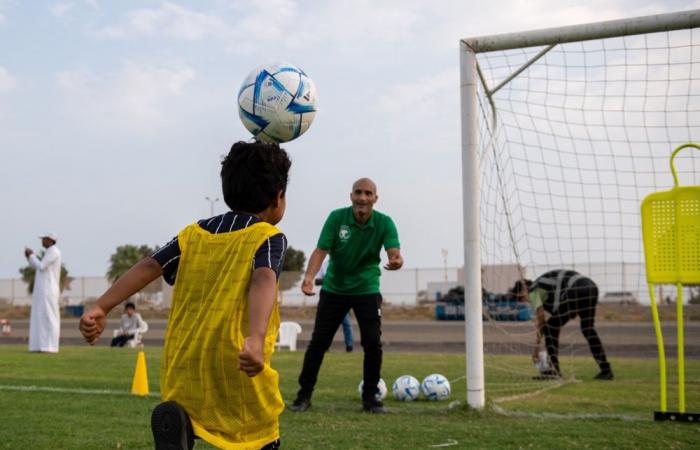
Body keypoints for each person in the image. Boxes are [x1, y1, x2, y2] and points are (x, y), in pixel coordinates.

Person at [79, 141, 291, 450]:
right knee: (258, 431)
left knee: (189, 414)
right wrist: (256, 337)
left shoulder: (193, 234)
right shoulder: (268, 238)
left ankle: (182, 432)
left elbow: (150, 264)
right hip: (237, 361)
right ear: (278, 197)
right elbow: (263, 277)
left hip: (185, 363)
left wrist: (102, 306)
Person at [290, 178, 403, 414]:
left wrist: (396, 260)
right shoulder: (336, 218)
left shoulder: (384, 223)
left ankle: (370, 399)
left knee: (372, 344)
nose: (363, 198)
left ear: (375, 198)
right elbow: (321, 250)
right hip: (334, 289)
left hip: (367, 289)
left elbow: (394, 252)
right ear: (351, 196)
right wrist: (309, 277)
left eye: (368, 193)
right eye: (358, 193)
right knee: (318, 343)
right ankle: (303, 396)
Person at [512, 270, 613, 380]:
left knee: (549, 328)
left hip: (576, 289)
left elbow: (541, 319)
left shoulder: (533, 290)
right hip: (591, 287)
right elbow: (562, 315)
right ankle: (606, 370)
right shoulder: (546, 288)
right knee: (587, 329)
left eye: (522, 299)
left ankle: (554, 371)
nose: (527, 302)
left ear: (523, 290)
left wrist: (536, 349)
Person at [24, 232, 62, 353]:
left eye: (44, 239)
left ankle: (50, 346)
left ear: (50, 240)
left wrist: (31, 256)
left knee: (49, 317)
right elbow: (40, 267)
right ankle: (39, 345)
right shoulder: (49, 252)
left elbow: (41, 266)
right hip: (43, 290)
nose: (42, 241)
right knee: (40, 316)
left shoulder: (54, 252)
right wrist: (29, 258)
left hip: (48, 289)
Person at [315, 259, 354, 352]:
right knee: (326, 324)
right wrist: (329, 279)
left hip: (343, 297)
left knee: (347, 324)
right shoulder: (324, 264)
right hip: (328, 298)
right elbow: (317, 281)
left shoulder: (345, 262)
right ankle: (325, 346)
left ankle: (349, 346)